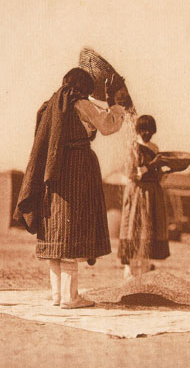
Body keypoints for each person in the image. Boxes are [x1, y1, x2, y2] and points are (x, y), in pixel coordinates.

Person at [14, 67, 127, 309]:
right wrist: (115, 106)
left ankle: (57, 295)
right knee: (71, 230)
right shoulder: (80, 104)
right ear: (84, 89)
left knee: (56, 230)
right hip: (76, 170)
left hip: (53, 173)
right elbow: (107, 126)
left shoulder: (51, 104)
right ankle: (70, 297)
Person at [117, 115, 170, 279]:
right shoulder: (133, 147)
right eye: (143, 130)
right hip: (138, 192)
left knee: (150, 227)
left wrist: (165, 171)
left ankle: (145, 269)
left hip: (152, 193)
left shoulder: (154, 148)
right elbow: (131, 172)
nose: (147, 133)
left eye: (150, 130)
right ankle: (129, 269)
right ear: (138, 130)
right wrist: (149, 167)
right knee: (134, 226)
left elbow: (158, 173)